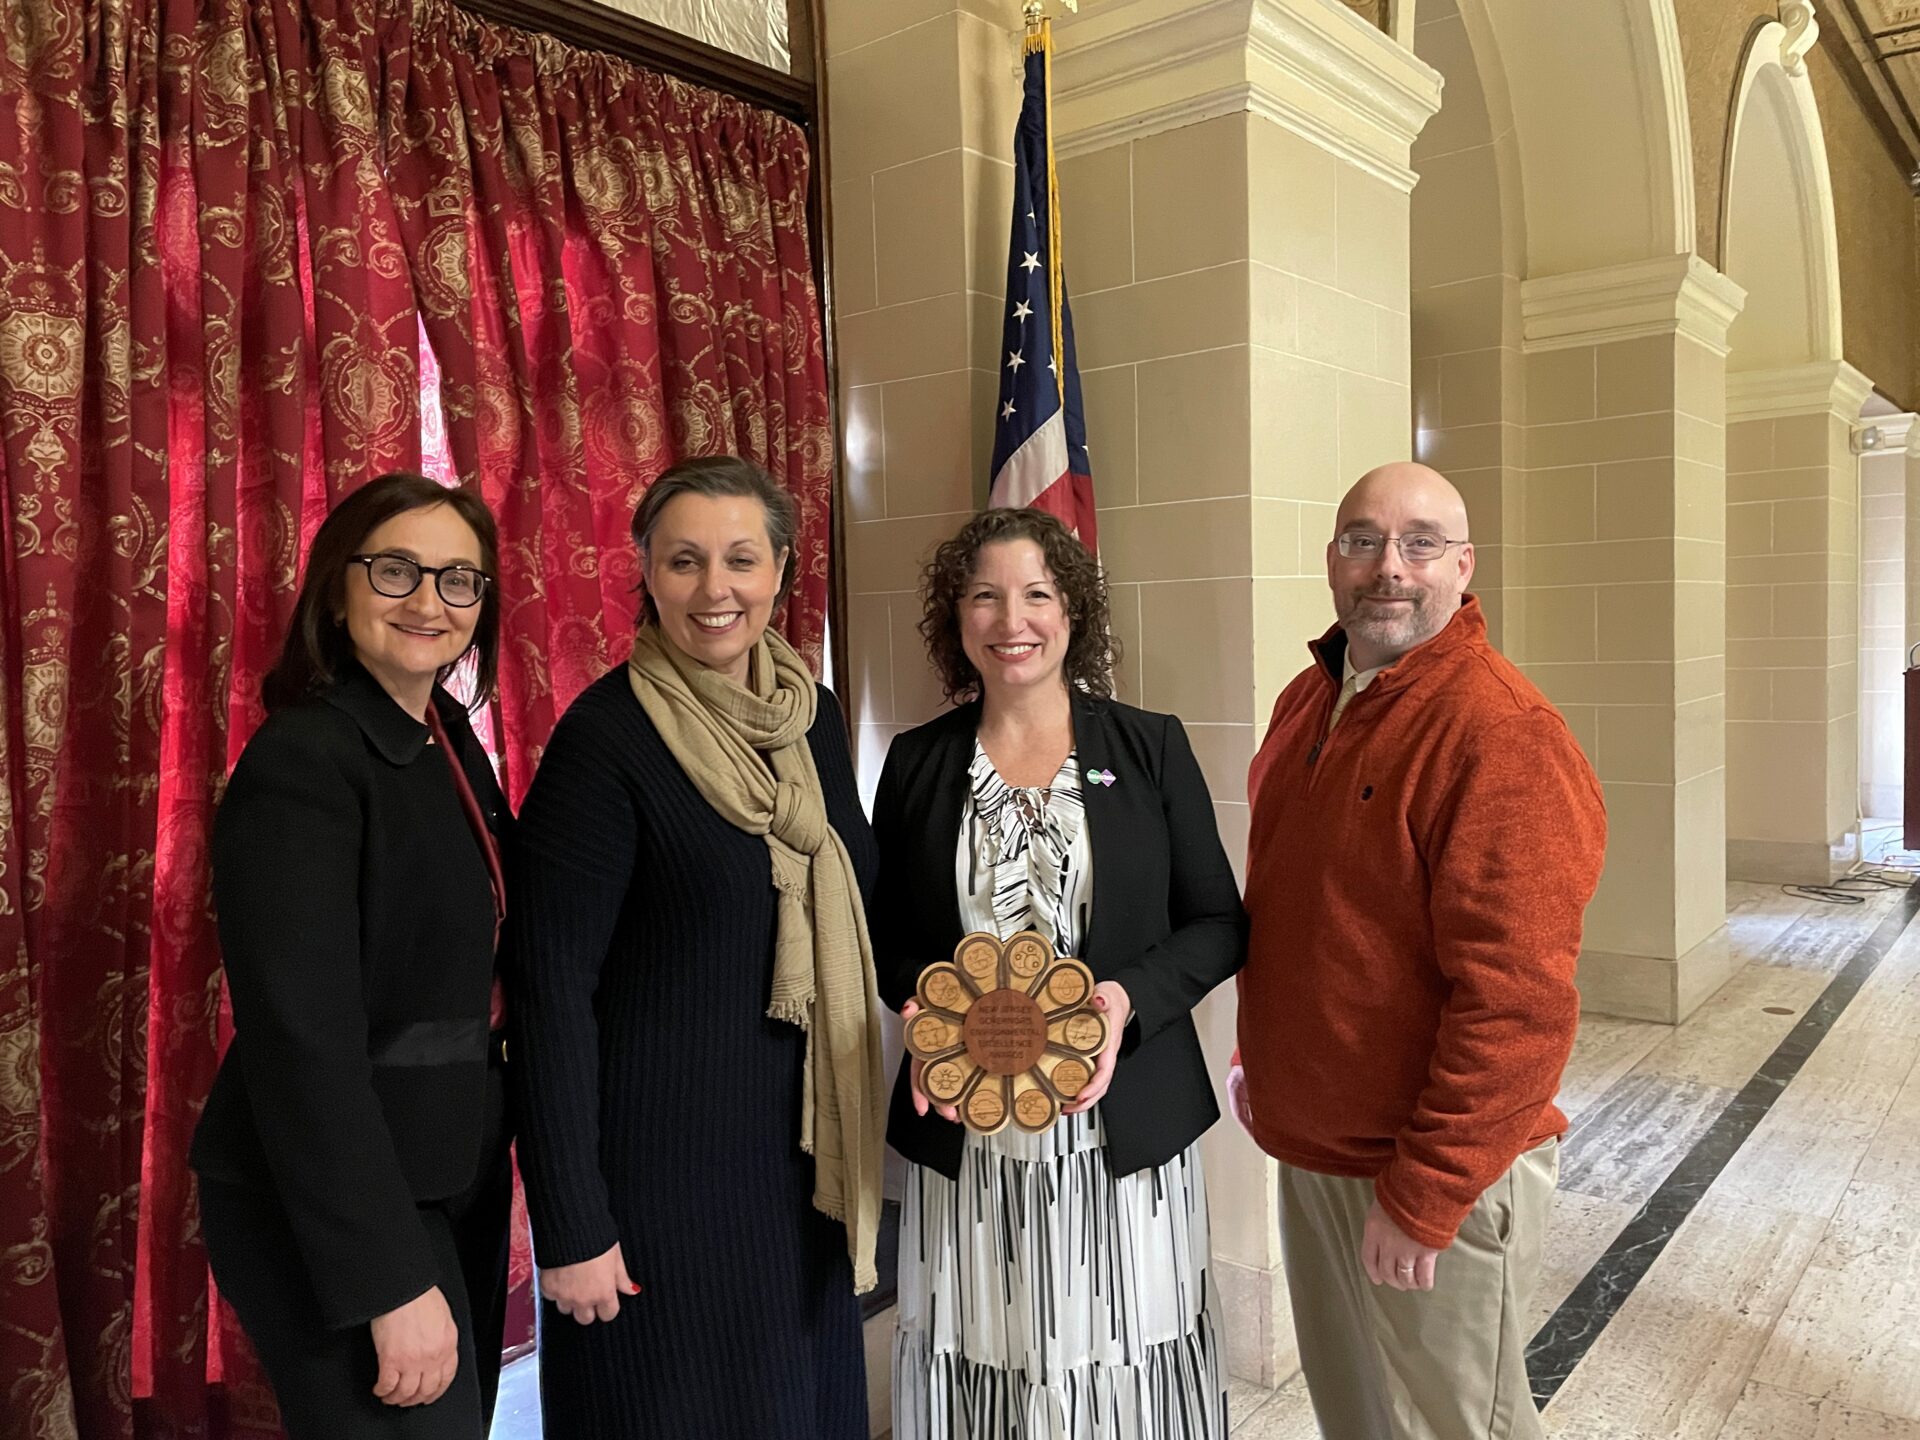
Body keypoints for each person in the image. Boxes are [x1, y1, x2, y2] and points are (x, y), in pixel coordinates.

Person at [508, 455, 884, 1439]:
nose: (715, 589)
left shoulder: (814, 719)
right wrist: (573, 1223)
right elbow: (549, 997)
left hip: (799, 1170)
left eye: (740, 560)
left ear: (783, 571)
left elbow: (857, 901)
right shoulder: (606, 742)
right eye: (684, 562)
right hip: (658, 1195)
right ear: (645, 572)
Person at [1231, 462, 1607, 1440]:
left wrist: (1427, 1193)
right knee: (1359, 1420)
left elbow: (1518, 1002)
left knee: (1458, 1428)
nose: (1388, 567)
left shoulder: (1501, 736)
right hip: (1315, 1151)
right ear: (1331, 560)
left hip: (1431, 1171)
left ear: (1464, 565)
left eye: (1420, 542)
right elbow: (1293, 910)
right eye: (1362, 539)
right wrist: (1258, 1057)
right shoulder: (1305, 704)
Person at [874, 507, 1246, 1439]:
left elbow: (1219, 925)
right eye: (986, 596)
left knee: (1123, 1354)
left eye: (1037, 594)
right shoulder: (916, 763)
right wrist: (927, 1011)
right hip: (969, 1144)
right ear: (956, 620)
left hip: (1119, 1138)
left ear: (1073, 613)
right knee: (983, 1356)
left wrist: (1124, 1002)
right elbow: (880, 937)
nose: (1013, 619)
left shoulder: (1149, 746)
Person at [191, 474, 514, 1440]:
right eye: (397, 571)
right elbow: (302, 1042)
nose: (430, 602)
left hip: (445, 1162)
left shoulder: (445, 737)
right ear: (338, 588)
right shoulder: (304, 761)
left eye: (460, 579)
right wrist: (386, 1281)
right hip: (334, 1196)